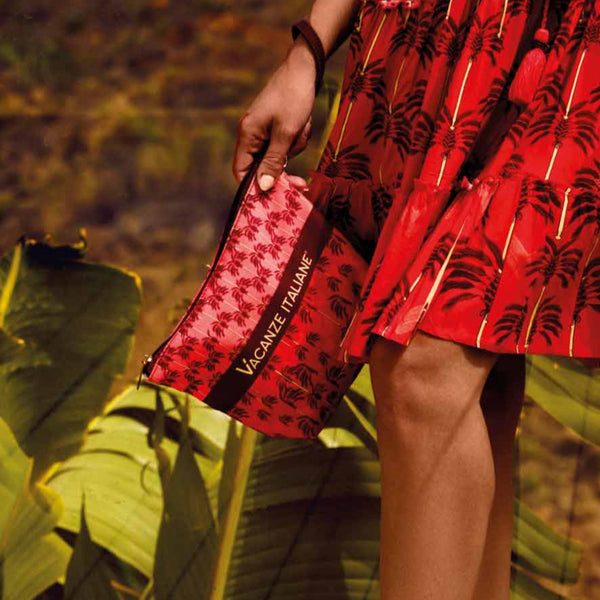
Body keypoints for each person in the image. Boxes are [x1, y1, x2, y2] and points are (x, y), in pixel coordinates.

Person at [232, 1, 600, 598]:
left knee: (423, 364)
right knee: (479, 382)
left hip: (575, 56)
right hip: (436, 45)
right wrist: (308, 51)